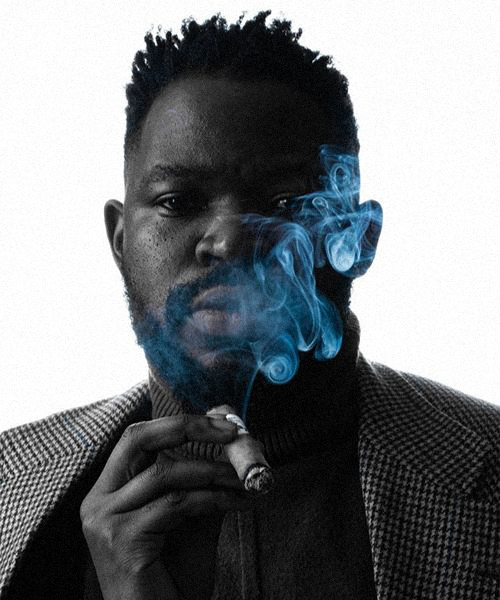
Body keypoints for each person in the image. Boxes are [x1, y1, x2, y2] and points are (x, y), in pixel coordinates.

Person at [1, 12, 499, 600]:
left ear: (356, 238)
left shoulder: (488, 472)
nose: (230, 240)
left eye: (284, 201)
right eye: (178, 200)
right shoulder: (11, 487)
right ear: (121, 240)